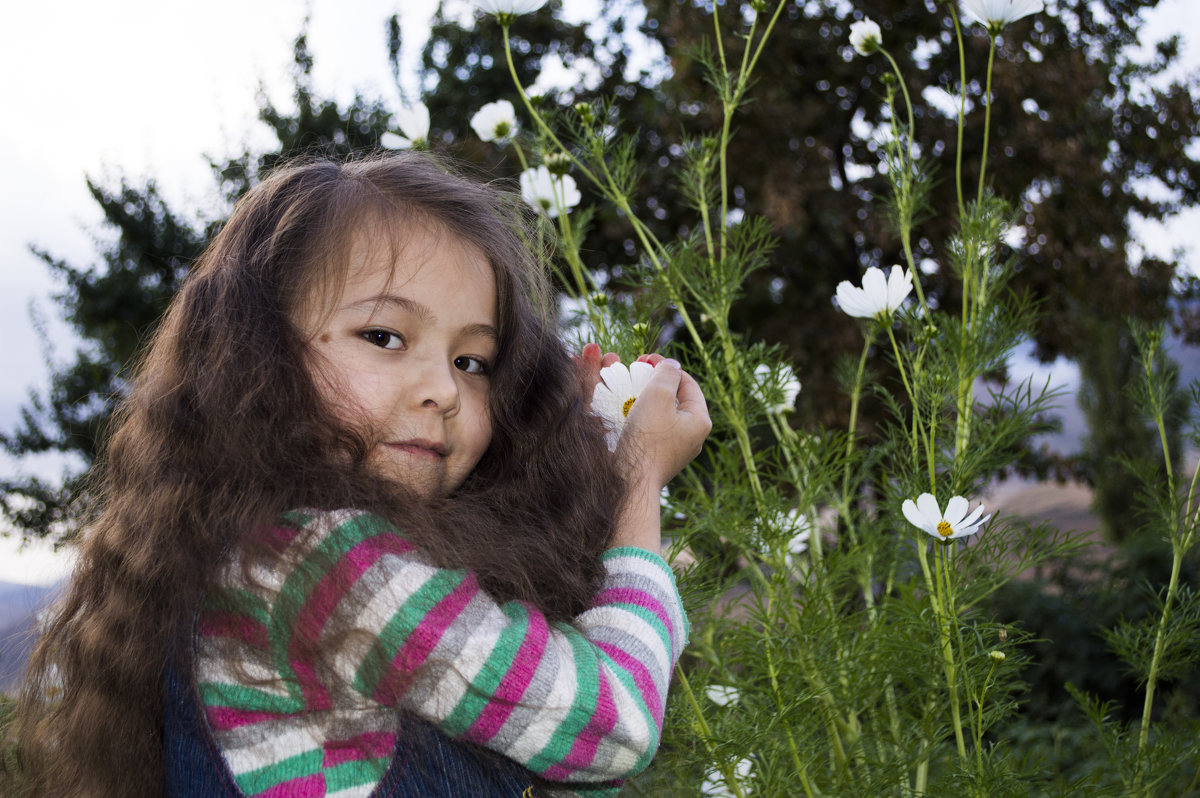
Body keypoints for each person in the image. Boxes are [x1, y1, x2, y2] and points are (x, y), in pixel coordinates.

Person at [2, 153, 710, 798]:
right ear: (257, 355)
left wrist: (583, 469)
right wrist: (638, 482)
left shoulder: (271, 554)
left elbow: (555, 759)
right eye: (384, 337)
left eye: (473, 361)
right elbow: (614, 729)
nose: (443, 390)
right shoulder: (327, 563)